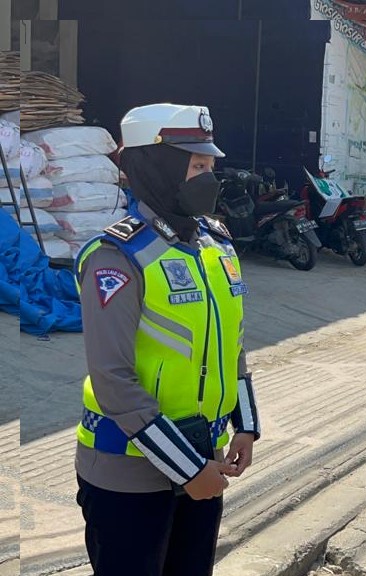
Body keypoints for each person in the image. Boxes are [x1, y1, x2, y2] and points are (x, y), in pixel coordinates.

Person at [74, 103, 261, 576]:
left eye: (210, 166)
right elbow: (113, 380)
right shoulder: (117, 257)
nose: (209, 177)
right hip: (129, 472)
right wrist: (190, 470)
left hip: (203, 459)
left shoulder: (215, 244)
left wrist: (246, 425)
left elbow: (230, 346)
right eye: (197, 166)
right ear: (158, 166)